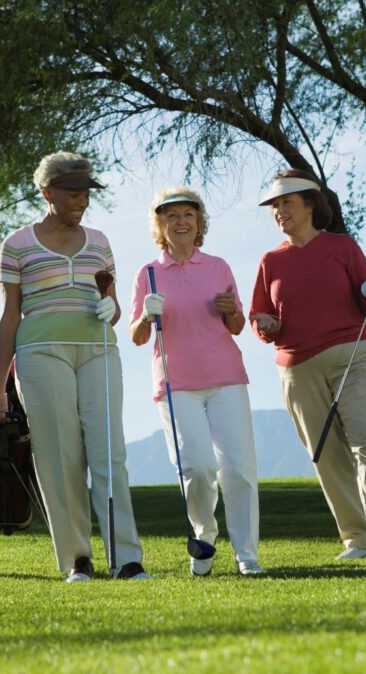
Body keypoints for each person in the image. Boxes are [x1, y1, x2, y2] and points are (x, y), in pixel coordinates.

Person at [0, 151, 152, 582]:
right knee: (61, 458)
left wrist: (110, 306)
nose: (82, 200)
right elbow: (9, 316)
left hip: (97, 349)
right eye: (74, 193)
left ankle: (127, 559)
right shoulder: (17, 244)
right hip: (41, 353)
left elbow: (113, 309)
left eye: (86, 194)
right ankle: (78, 560)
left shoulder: (99, 242)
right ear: (47, 193)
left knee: (108, 453)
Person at [249, 169, 366, 562]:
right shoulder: (270, 261)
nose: (279, 211)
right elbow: (261, 315)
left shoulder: (342, 247)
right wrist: (267, 325)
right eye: (275, 206)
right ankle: (358, 540)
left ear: (310, 203)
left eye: (286, 202)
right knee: (327, 455)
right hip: (297, 368)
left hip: (353, 355)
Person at [129, 187, 264, 577]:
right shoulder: (148, 274)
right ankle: (204, 537)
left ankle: (246, 554)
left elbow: (237, 325)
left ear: (199, 222)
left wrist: (230, 312)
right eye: (171, 216)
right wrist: (144, 317)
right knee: (199, 469)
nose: (181, 222)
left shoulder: (218, 266)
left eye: (188, 214)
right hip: (176, 385)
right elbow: (137, 337)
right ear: (160, 226)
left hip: (226, 378)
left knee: (238, 469)